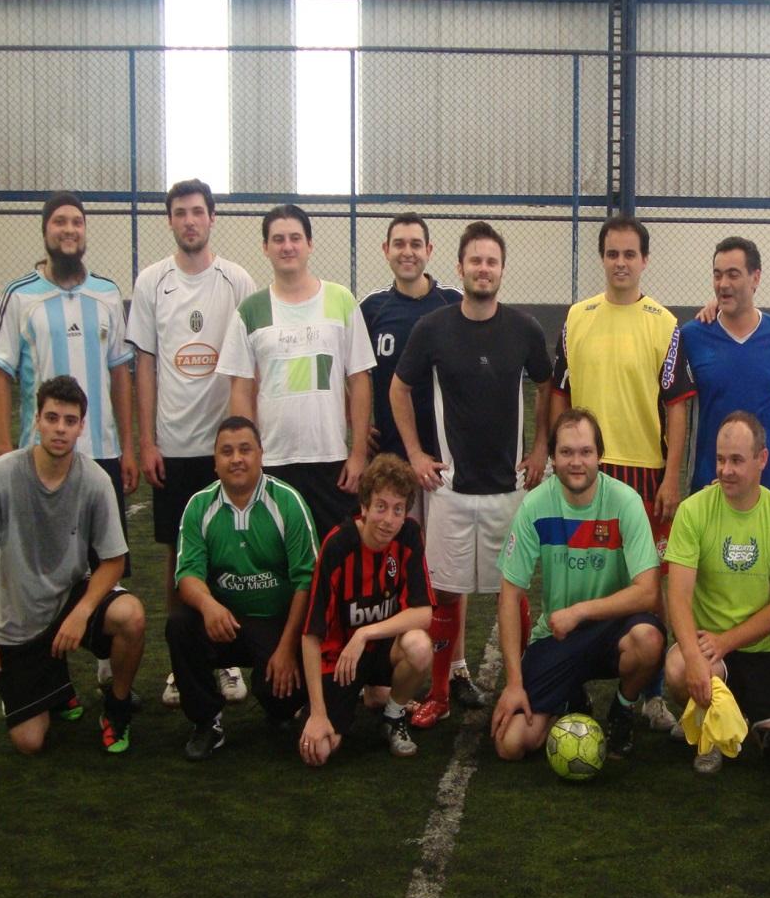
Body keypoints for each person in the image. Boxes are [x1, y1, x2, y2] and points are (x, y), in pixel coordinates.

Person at [391, 221, 552, 728]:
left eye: (492, 261)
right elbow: (398, 389)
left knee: (514, 592)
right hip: (451, 490)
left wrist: (540, 448)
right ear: (459, 267)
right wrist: (416, 454)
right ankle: (440, 693)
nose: (483, 269)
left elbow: (548, 387)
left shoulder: (524, 329)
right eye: (475, 260)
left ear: (502, 270)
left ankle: (519, 688)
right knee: (444, 594)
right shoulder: (432, 328)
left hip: (510, 489)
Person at [0, 191, 138, 692]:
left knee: (106, 564)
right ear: (45, 230)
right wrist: (4, 449)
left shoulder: (107, 293)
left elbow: (120, 374)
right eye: (59, 222)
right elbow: (0, 375)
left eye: (77, 222)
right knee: (39, 566)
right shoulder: (20, 295)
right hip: (40, 461)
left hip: (101, 455)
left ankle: (107, 666)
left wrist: (128, 447)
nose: (69, 230)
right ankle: (47, 675)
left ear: (85, 231)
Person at [549, 214, 695, 732]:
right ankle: (570, 686)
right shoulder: (577, 317)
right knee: (576, 576)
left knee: (649, 586)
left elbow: (677, 406)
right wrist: (557, 460)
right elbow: (559, 392)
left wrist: (672, 477)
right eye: (612, 253)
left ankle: (648, 696)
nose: (621, 263)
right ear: (602, 257)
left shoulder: (664, 323)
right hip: (584, 472)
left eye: (630, 254)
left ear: (645, 260)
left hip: (645, 475)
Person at [128, 178, 258, 708]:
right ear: (170, 220)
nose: (189, 220)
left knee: (232, 552)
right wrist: (147, 441)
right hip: (174, 446)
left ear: (212, 218)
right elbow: (145, 365)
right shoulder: (151, 282)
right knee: (178, 556)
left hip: (226, 448)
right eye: (180, 212)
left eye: (198, 211)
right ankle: (181, 665)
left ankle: (226, 659)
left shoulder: (237, 280)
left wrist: (248, 437)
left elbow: (251, 360)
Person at [0, 375, 146, 754]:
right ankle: (58, 689)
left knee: (131, 616)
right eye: (52, 418)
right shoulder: (1, 474)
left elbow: (114, 561)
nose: (60, 428)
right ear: (37, 420)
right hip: (20, 620)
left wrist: (82, 612)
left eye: (69, 420)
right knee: (29, 742)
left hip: (71, 597)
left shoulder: (95, 480)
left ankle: (116, 707)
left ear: (81, 427)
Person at [490, 408, 664, 761]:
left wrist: (580, 611)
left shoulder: (625, 502)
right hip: (558, 635)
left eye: (585, 452)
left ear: (600, 455)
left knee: (648, 639)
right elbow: (509, 596)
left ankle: (622, 708)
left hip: (614, 630)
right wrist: (514, 684)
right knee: (511, 744)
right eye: (566, 452)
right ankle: (571, 699)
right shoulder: (535, 506)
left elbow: (648, 591)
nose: (576, 462)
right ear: (553, 458)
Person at [216, 204, 375, 541]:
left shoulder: (341, 300)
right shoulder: (250, 310)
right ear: (265, 247)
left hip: (331, 460)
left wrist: (358, 454)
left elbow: (359, 380)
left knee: (334, 554)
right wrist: (249, 455)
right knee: (277, 556)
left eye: (295, 238)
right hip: (273, 460)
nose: (287, 246)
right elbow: (241, 389)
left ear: (310, 244)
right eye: (278, 239)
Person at [662, 412, 770, 775]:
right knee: (678, 669)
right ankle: (709, 727)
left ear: (762, 459)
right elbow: (677, 597)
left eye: (737, 460)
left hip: (761, 650)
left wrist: (727, 640)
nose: (725, 470)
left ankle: (740, 716)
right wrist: (695, 656)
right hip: (709, 651)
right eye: (720, 459)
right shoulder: (694, 511)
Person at [165, 416, 319, 760]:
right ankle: (207, 722)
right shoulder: (199, 505)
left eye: (245, 450)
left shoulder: (288, 502)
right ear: (215, 461)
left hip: (275, 623)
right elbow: (186, 575)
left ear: (261, 454)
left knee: (282, 703)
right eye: (227, 451)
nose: (236, 459)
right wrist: (209, 606)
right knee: (180, 624)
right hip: (223, 621)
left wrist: (286, 648)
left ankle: (282, 706)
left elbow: (307, 581)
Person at [298, 455, 436, 766]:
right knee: (320, 752)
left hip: (381, 649)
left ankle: (393, 714)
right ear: (364, 506)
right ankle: (342, 700)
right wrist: (318, 713)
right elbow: (310, 634)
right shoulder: (338, 546)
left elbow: (423, 613)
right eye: (381, 507)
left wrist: (364, 633)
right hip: (341, 658)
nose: (388, 520)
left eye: (398, 510)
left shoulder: (409, 535)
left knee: (419, 646)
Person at [680, 237, 770, 497]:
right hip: (707, 484)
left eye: (733, 274)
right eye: (717, 275)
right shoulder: (692, 337)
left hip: (766, 486)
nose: (723, 284)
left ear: (755, 277)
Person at [361, 212, 462, 462]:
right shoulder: (371, 309)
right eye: (399, 244)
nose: (408, 252)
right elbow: (344, 371)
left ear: (428, 250)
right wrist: (356, 422)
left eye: (416, 244)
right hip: (390, 452)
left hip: (448, 453)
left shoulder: (455, 302)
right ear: (386, 250)